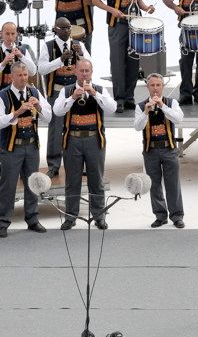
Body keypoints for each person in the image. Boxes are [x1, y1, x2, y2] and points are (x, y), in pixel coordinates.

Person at [52, 58, 117, 230]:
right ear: (75, 71)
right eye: (81, 71)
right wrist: (73, 97)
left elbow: (112, 108)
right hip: (72, 140)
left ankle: (99, 216)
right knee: (72, 180)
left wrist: (94, 93)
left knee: (96, 180)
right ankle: (70, 217)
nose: (84, 74)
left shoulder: (100, 90)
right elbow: (57, 111)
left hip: (94, 139)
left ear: (92, 72)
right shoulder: (67, 90)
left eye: (87, 71)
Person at [91, 0, 156, 113]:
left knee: (133, 61)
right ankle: (118, 97)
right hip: (118, 25)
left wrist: (147, 7)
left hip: (135, 25)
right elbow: (96, 0)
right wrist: (112, 10)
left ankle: (129, 97)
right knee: (118, 62)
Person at [0, 61, 52, 238]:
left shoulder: (34, 92)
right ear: (11, 77)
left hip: (31, 146)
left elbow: (49, 117)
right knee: (8, 186)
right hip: (11, 148)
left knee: (33, 184)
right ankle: (3, 222)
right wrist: (16, 112)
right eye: (20, 75)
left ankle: (32, 219)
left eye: (25, 75)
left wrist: (38, 106)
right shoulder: (3, 95)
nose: (23, 78)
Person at [37, 17, 90, 177]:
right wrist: (59, 60)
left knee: (78, 125)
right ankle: (53, 165)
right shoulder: (48, 46)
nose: (67, 31)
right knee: (56, 128)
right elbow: (41, 69)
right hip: (57, 91)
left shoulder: (78, 44)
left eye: (68, 28)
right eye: (63, 28)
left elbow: (90, 64)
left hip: (76, 90)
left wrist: (80, 54)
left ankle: (80, 164)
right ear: (56, 29)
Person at [133, 73, 185, 228]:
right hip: (151, 150)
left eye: (158, 85)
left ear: (163, 86)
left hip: (169, 149)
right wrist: (145, 113)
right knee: (154, 184)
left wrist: (162, 106)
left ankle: (177, 216)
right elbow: (138, 127)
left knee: (172, 184)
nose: (155, 88)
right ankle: (160, 215)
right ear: (148, 87)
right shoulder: (141, 106)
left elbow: (178, 119)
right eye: (152, 85)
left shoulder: (171, 102)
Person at [0, 22, 37, 90]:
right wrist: (3, 63)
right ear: (1, 34)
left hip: (20, 91)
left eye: (13, 34)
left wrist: (21, 56)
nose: (10, 37)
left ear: (16, 34)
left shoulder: (23, 50)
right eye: (7, 34)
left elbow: (33, 72)